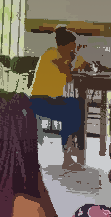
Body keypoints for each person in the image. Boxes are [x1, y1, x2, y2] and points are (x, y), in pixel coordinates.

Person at [29, 27, 88, 170]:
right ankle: (68, 152)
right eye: (73, 45)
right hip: (39, 101)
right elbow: (68, 76)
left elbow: (73, 71)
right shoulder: (52, 55)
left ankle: (71, 147)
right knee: (73, 110)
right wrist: (74, 60)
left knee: (77, 104)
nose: (74, 48)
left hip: (52, 100)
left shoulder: (61, 56)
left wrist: (74, 60)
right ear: (67, 45)